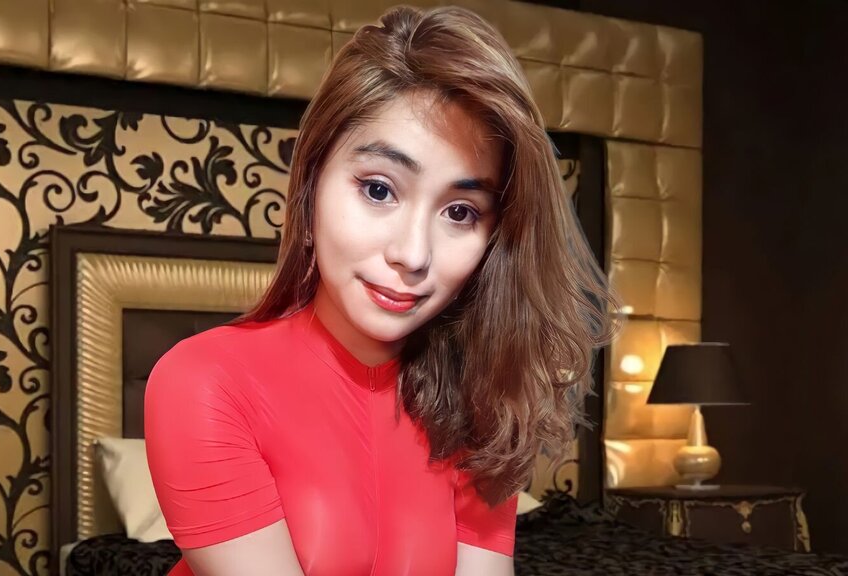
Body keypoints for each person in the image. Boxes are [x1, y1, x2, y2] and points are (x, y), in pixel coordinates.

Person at [145, 4, 621, 575]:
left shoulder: (480, 404)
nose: (413, 255)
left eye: (460, 211)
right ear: (311, 183)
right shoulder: (205, 381)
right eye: (378, 189)